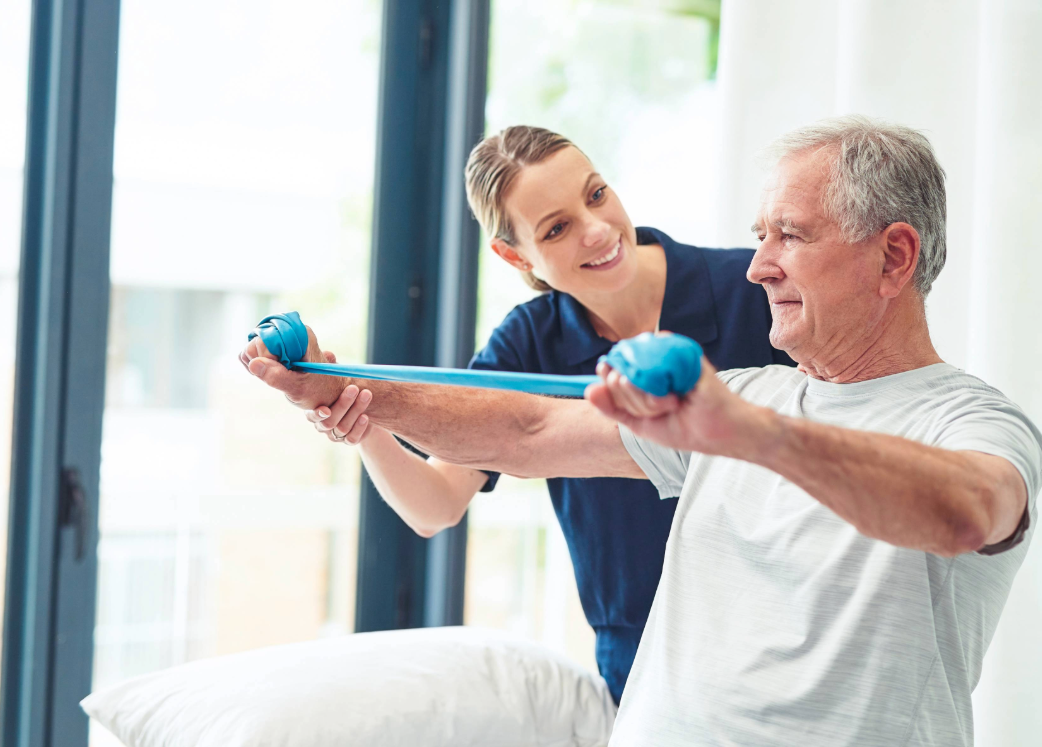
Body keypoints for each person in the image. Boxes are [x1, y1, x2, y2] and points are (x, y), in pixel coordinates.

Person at [243, 116, 1042, 746]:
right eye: (760, 235)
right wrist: (340, 389)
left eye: (788, 237)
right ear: (517, 255)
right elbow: (521, 429)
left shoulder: (967, 418)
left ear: (894, 257)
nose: (759, 265)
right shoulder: (740, 387)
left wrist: (753, 434)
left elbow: (968, 509)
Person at [299, 125, 793, 702]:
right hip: (647, 674)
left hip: (784, 644)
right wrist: (353, 411)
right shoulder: (527, 344)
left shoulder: (752, 287)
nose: (598, 231)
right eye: (557, 229)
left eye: (596, 194)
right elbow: (434, 504)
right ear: (514, 255)